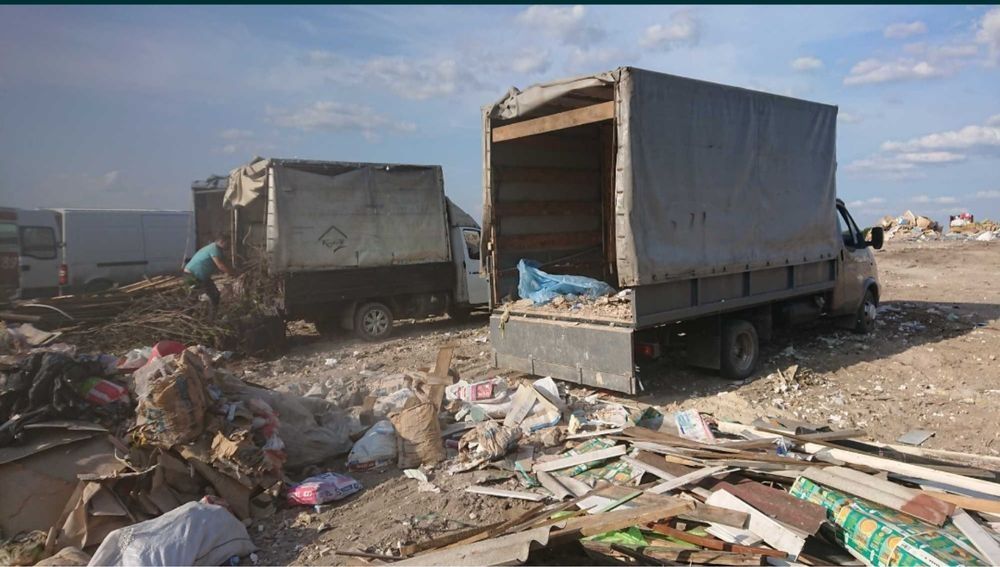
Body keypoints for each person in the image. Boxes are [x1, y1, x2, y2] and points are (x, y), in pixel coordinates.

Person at [183, 234, 235, 306]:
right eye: (228, 243)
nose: (229, 246)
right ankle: (197, 313)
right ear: (222, 242)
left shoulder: (217, 250)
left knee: (214, 295)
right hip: (192, 276)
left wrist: (233, 270)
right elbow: (220, 266)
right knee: (198, 296)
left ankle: (211, 315)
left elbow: (225, 263)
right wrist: (233, 273)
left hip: (201, 277)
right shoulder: (214, 249)